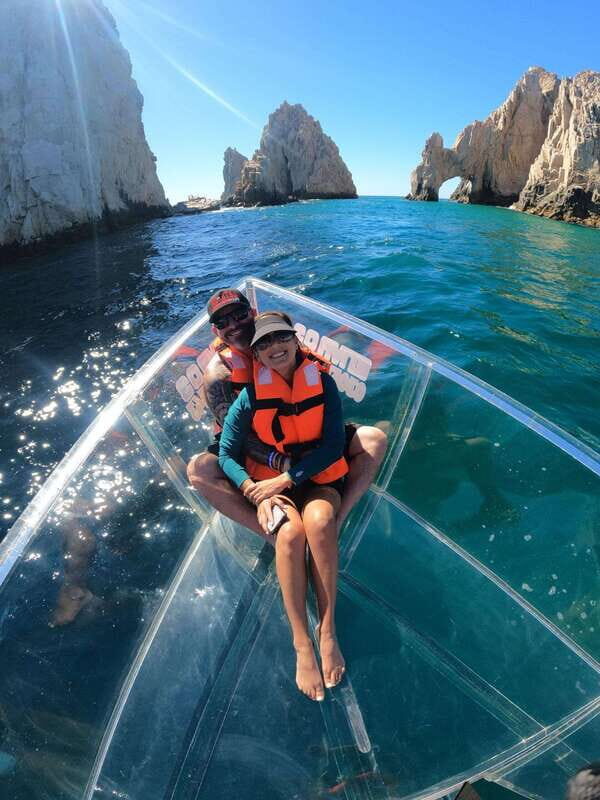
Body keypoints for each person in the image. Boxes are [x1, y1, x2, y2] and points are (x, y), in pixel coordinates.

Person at [187, 288, 387, 541]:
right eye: (222, 322)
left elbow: (318, 398)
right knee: (199, 470)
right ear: (215, 331)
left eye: (239, 315)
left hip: (304, 437)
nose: (234, 325)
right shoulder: (219, 376)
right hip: (259, 451)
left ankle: (337, 522)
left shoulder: (284, 344)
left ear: (253, 313)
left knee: (374, 439)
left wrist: (312, 455)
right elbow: (242, 443)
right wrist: (287, 470)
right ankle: (274, 536)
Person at [219, 311, 348, 701]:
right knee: (289, 536)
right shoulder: (249, 397)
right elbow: (226, 453)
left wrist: (286, 478)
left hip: (314, 479)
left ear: (296, 341)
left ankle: (327, 632)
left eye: (281, 339)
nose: (275, 348)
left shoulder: (322, 383)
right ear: (256, 355)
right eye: (264, 344)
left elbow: (332, 446)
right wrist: (251, 487)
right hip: (273, 487)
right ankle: (301, 644)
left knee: (321, 522)